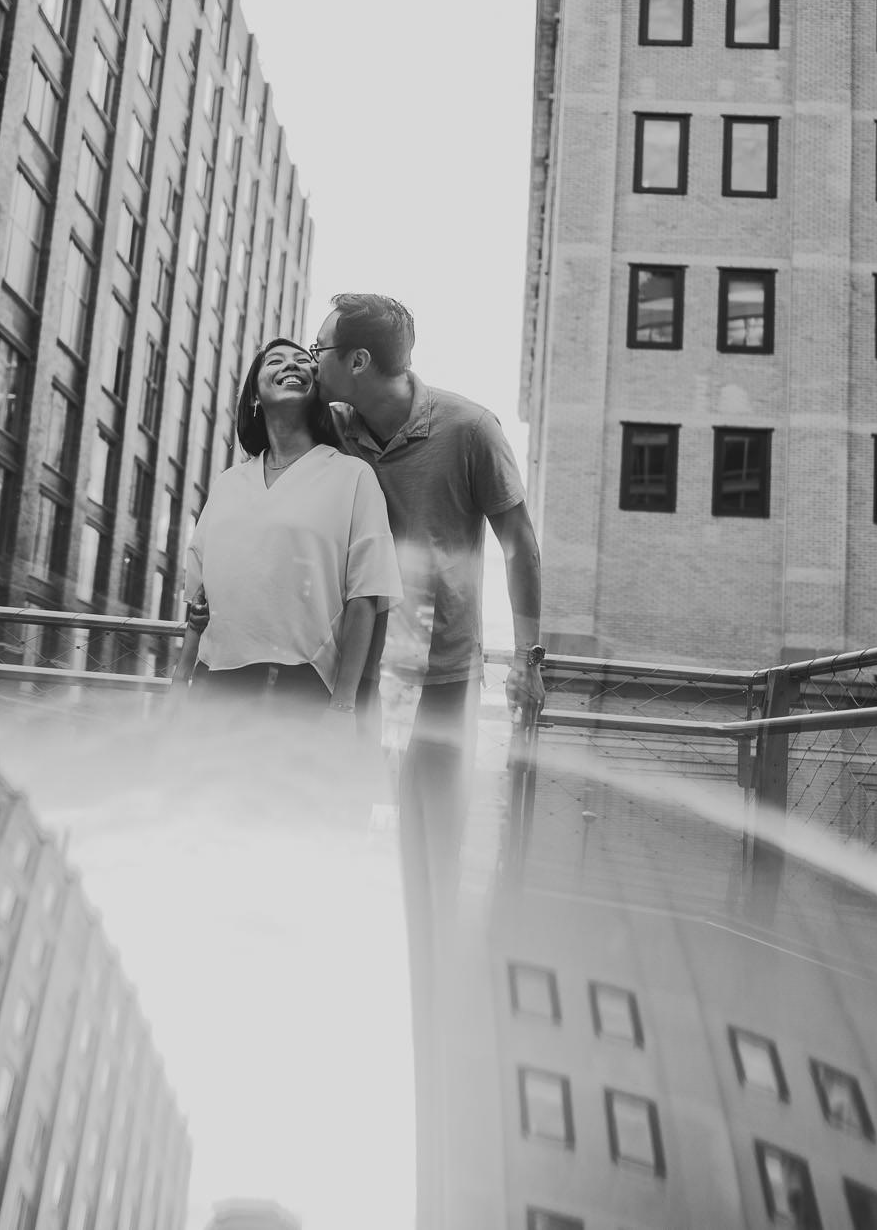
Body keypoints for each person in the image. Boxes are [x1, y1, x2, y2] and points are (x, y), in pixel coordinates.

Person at [308, 291, 544, 1227]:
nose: (318, 357)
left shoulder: (471, 431)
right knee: (335, 835)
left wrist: (530, 657)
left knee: (430, 856)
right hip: (360, 677)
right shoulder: (337, 426)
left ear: (360, 365)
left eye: (326, 348)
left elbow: (520, 541)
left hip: (444, 680)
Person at [175, 337, 401, 721]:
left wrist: (345, 703)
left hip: (302, 690)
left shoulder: (352, 476)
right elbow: (200, 604)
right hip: (214, 685)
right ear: (255, 397)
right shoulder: (230, 483)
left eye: (302, 361)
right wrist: (180, 684)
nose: (291, 365)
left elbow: (366, 597)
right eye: (275, 361)